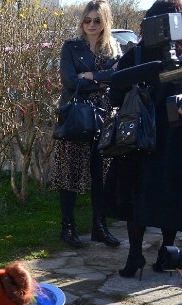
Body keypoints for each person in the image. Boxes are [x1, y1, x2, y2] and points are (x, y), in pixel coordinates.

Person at [104, 0, 182, 278]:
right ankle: (166, 254)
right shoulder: (152, 58)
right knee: (169, 197)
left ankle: (135, 256)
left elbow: (114, 95)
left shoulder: (135, 56)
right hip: (172, 141)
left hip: (137, 140)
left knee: (136, 199)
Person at [51, 0, 122, 248]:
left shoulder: (113, 48)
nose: (91, 25)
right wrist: (103, 81)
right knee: (69, 173)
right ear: (82, 21)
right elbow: (70, 82)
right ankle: (67, 227)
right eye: (87, 20)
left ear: (105, 22)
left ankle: (99, 227)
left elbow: (119, 78)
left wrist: (91, 76)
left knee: (101, 175)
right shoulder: (71, 47)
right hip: (77, 117)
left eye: (97, 20)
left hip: (105, 118)